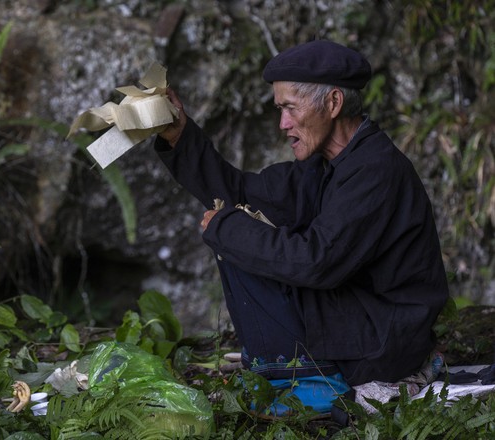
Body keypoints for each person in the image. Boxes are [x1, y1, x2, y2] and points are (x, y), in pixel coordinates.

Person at [155, 40, 449, 407]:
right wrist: (180, 136)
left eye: (290, 109)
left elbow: (317, 262)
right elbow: (241, 192)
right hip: (361, 318)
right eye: (280, 110)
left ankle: (309, 379)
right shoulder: (323, 165)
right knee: (237, 231)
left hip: (386, 339)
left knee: (238, 238)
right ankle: (295, 372)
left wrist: (227, 230)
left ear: (333, 103)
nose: (283, 124)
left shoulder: (374, 170)